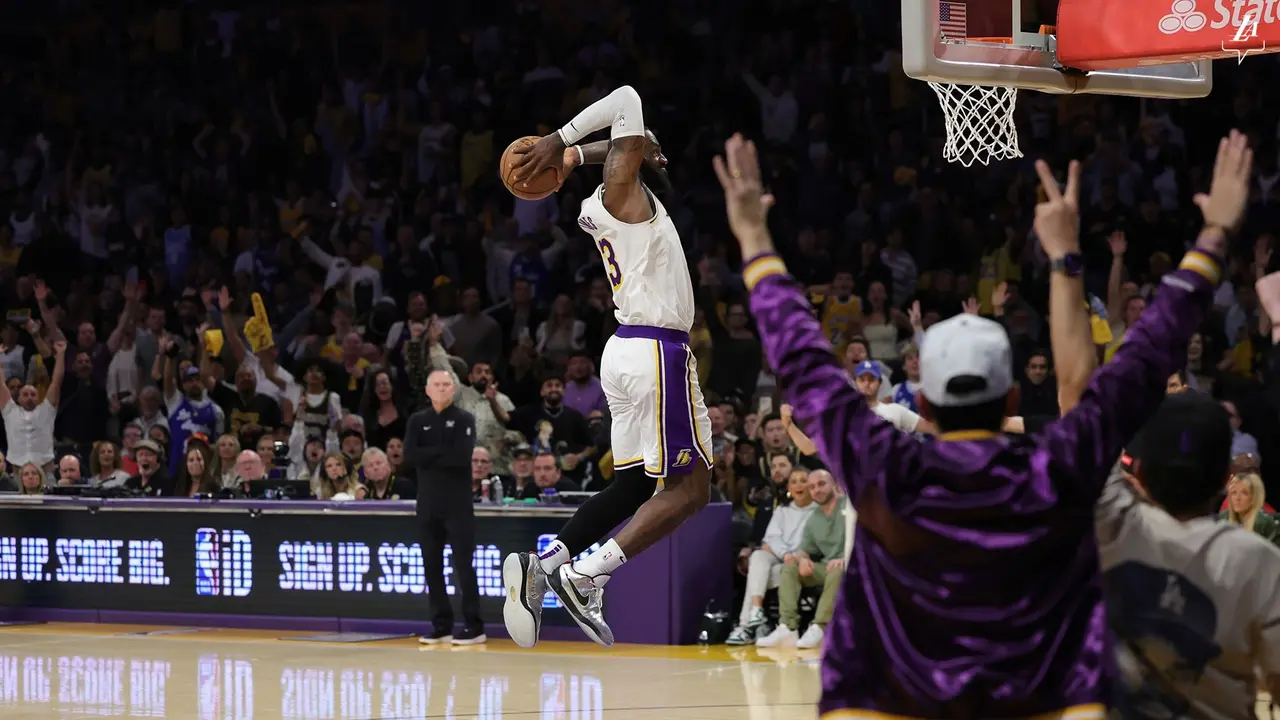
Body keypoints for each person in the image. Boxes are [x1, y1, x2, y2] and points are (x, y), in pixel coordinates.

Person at [711, 129, 1244, 717]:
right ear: (1012, 393)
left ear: (927, 403)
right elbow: (1146, 355)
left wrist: (756, 240)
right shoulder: (1056, 464)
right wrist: (1211, 236)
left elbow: (803, 358)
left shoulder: (883, 462)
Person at [501, 85, 713, 649]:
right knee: (691, 489)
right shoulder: (628, 201)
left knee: (636, 483)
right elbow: (626, 98)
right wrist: (557, 141)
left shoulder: (605, 203)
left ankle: (546, 565)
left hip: (626, 348)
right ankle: (587, 574)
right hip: (654, 350)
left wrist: (572, 157)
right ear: (634, 160)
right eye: (642, 148)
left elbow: (634, 139)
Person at [1099, 391, 1280, 716]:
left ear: (1137, 471)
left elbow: (1081, 415)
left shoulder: (1110, 522)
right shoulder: (1257, 561)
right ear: (1226, 477)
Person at [403, 369, 482, 645]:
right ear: (427, 390)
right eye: (436, 385)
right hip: (427, 504)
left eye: (446, 384)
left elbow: (461, 458)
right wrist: (440, 451)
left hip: (458, 505)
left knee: (464, 565)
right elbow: (410, 456)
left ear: (454, 389)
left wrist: (429, 453)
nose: (441, 389)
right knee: (431, 566)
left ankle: (474, 625)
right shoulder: (417, 420)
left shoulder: (464, 419)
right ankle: (441, 625)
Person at [757, 470, 848, 649]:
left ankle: (820, 627)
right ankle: (788, 627)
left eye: (822, 484)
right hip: (828, 567)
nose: (817, 490)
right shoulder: (814, 518)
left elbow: (867, 539)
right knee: (790, 568)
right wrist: (802, 558)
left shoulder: (849, 507)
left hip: (854, 566)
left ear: (834, 485)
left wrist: (846, 558)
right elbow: (804, 549)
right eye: (812, 487)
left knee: (837, 571)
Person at [726, 467, 816, 645]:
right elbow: (771, 538)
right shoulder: (783, 510)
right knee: (758, 556)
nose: (799, 485)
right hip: (780, 556)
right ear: (789, 487)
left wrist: (793, 555)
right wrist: (785, 553)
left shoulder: (817, 511)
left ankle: (746, 627)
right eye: (794, 481)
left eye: (803, 480)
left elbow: (810, 543)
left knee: (759, 575)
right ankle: (757, 611)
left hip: (801, 561)